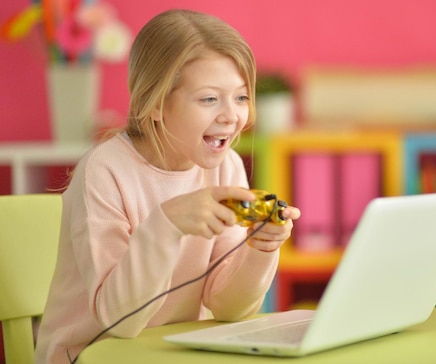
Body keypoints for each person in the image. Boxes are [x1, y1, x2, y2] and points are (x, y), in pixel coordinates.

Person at [34, 9, 301, 364]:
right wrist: (165, 225)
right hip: (90, 355)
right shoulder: (104, 171)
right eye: (209, 99)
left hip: (174, 353)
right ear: (156, 103)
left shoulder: (227, 166)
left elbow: (226, 307)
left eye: (240, 97)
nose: (231, 116)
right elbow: (120, 321)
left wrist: (260, 250)